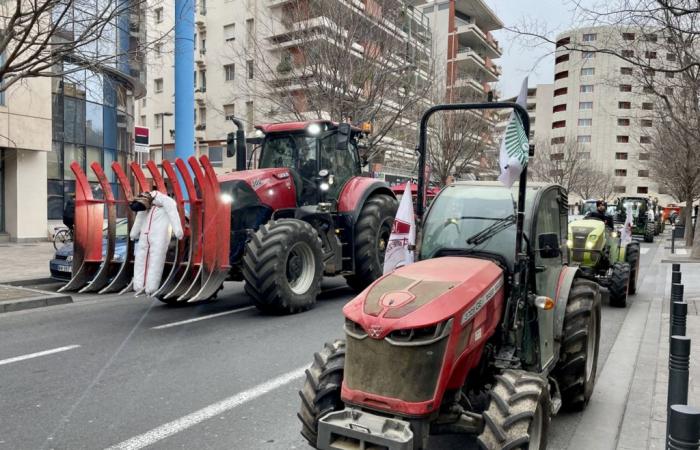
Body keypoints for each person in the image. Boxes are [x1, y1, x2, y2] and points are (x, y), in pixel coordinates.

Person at [129, 191, 184, 296]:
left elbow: (173, 215)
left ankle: (151, 288)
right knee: (141, 259)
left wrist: (178, 232)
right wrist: (134, 233)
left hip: (159, 235)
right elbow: (139, 219)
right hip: (146, 235)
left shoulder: (167, 202)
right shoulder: (146, 204)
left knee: (155, 260)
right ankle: (139, 286)